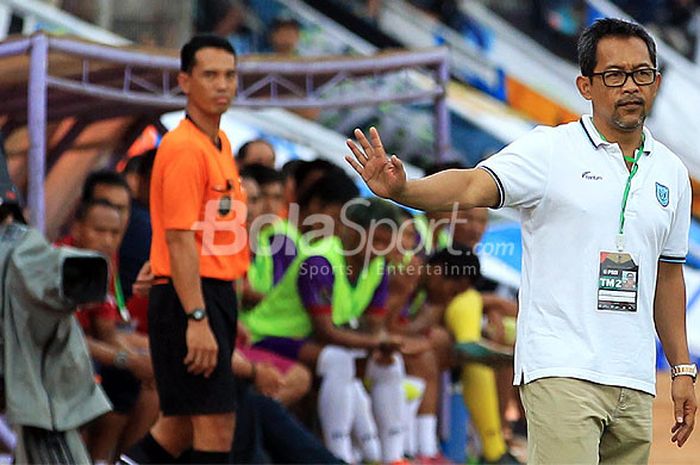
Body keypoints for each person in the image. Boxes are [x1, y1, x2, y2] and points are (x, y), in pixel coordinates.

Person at [346, 18, 697, 464]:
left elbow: (668, 277)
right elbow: (473, 185)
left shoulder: (670, 173)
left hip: (634, 378)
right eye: (614, 75)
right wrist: (406, 191)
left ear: (657, 81)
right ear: (585, 86)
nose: (630, 86)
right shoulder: (550, 150)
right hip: (561, 370)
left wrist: (682, 369)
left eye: (641, 74)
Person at [123, 35, 248, 465]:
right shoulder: (181, 148)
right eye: (210, 74)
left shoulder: (221, 143)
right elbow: (179, 237)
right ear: (184, 81)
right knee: (215, 425)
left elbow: (196, 229)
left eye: (230, 75)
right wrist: (197, 317)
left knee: (177, 427)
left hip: (210, 292)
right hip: (190, 298)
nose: (222, 84)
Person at [0, 153, 111, 464]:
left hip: (40, 403)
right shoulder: (21, 249)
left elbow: (58, 270)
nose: (107, 240)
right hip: (43, 409)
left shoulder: (20, 248)